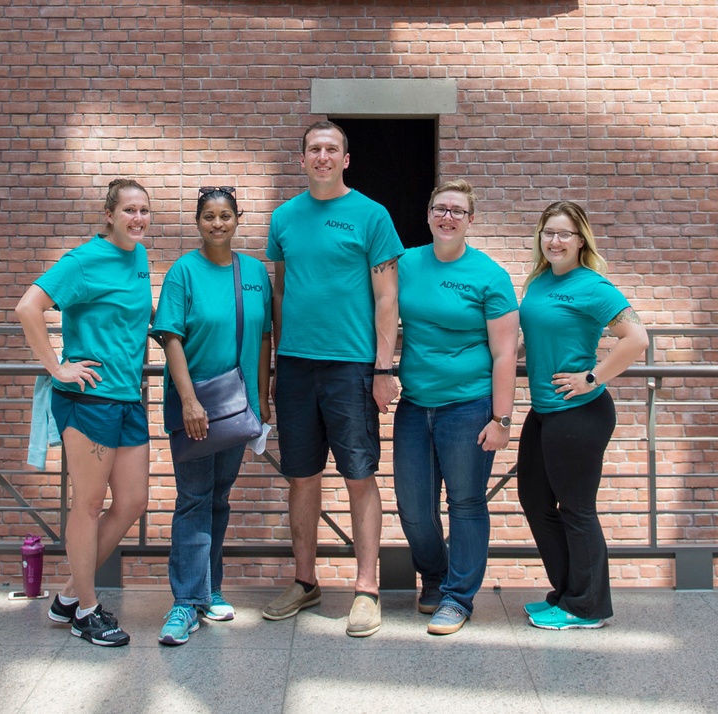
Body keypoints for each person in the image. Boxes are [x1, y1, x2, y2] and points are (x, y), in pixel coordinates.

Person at [262, 120, 404, 637]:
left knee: (359, 475)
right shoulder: (283, 218)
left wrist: (383, 368)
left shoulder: (372, 215)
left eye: (331, 150)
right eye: (313, 150)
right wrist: (277, 362)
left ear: (346, 160)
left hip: (352, 367)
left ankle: (366, 589)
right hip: (298, 366)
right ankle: (305, 582)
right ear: (302, 160)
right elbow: (280, 294)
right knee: (301, 476)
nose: (322, 157)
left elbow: (388, 297)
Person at [15, 178, 153, 647]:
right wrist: (57, 367)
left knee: (133, 501)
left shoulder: (140, 257)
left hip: (128, 398)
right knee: (89, 506)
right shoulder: (82, 260)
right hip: (88, 398)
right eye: (129, 210)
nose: (138, 219)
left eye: (144, 211)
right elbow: (28, 307)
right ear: (109, 215)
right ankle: (86, 612)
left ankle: (69, 596)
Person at [393, 180, 519, 635]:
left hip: (468, 406)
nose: (448, 217)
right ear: (427, 214)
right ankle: (436, 575)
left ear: (471, 220)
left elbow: (506, 353)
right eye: (440, 208)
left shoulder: (490, 276)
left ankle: (458, 597)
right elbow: (378, 310)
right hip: (414, 404)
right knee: (412, 508)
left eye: (457, 211)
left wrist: (502, 419)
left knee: (465, 504)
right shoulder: (405, 263)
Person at [516, 200, 648, 630]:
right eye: (548, 232)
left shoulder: (594, 286)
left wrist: (592, 377)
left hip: (580, 412)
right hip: (544, 411)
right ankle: (566, 594)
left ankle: (586, 607)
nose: (555, 241)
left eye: (565, 234)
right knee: (535, 500)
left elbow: (636, 339)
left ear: (580, 241)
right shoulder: (538, 282)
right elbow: (536, 337)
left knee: (576, 509)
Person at [152, 186, 272, 646]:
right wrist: (188, 401)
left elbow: (264, 340)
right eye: (208, 216)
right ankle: (184, 602)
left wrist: (262, 402)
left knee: (219, 499)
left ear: (238, 218)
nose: (217, 223)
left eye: (225, 215)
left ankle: (209, 589)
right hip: (197, 407)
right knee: (194, 500)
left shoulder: (255, 272)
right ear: (197, 222)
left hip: (238, 409)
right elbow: (171, 338)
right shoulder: (184, 271)